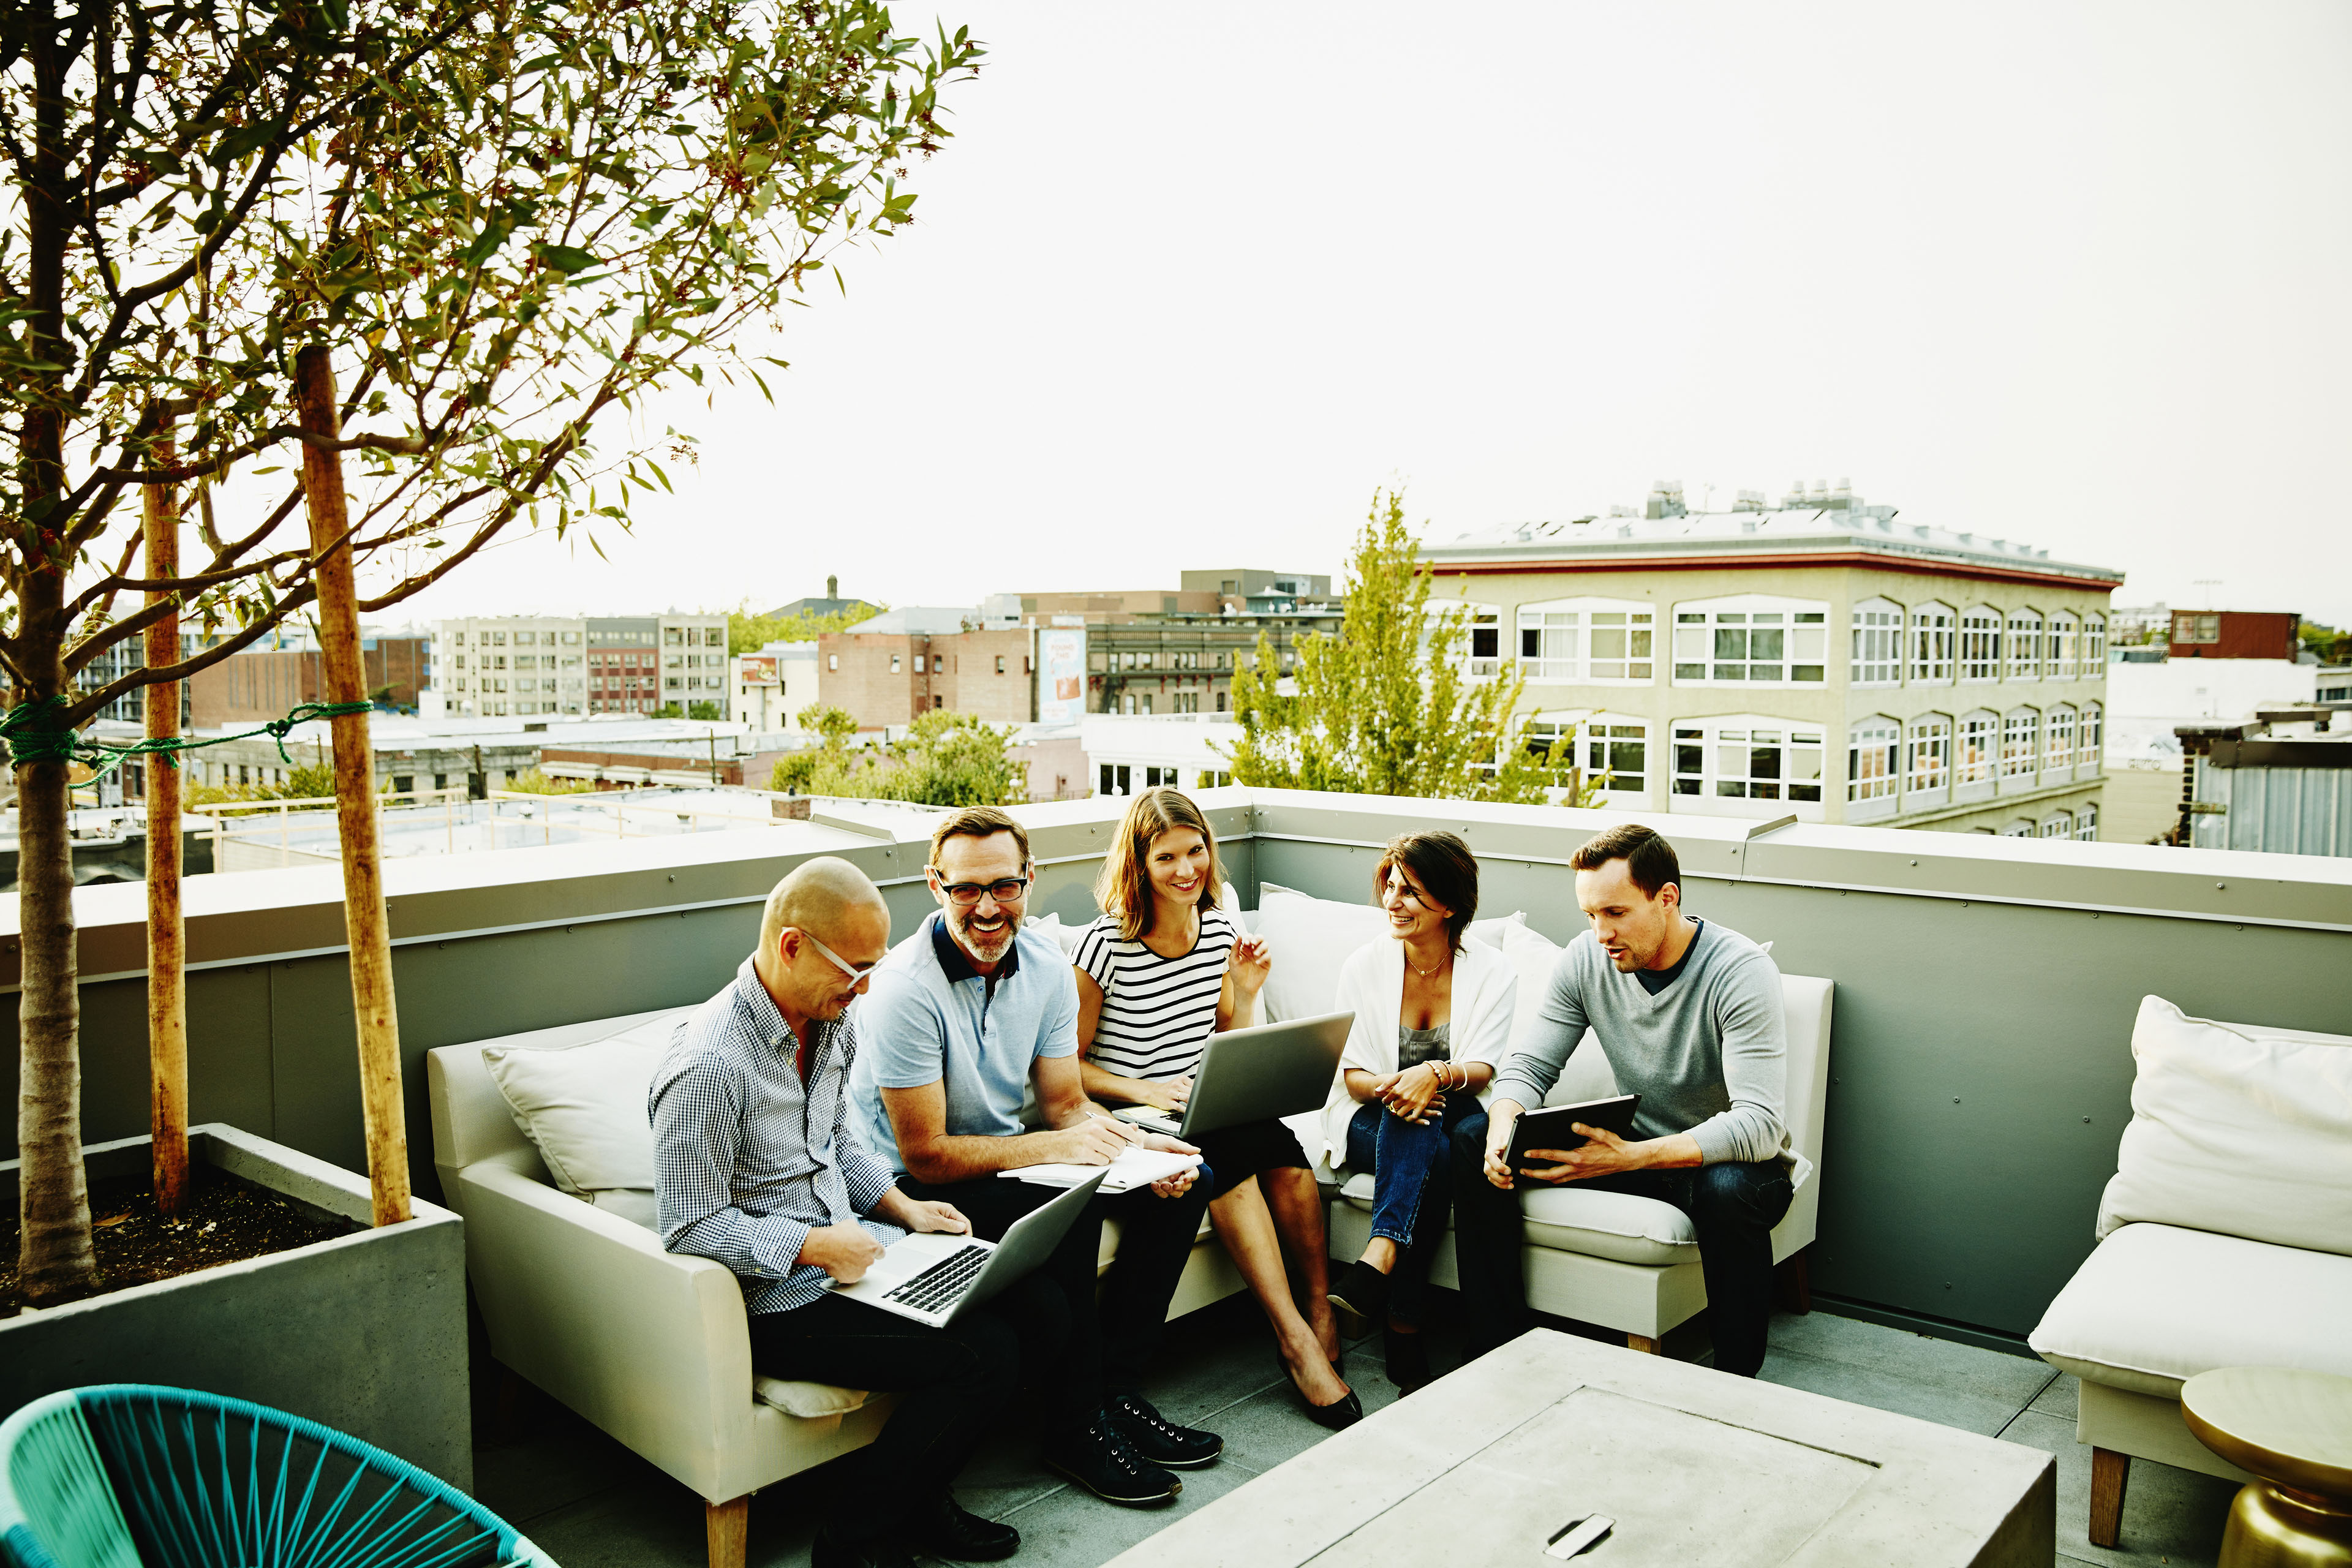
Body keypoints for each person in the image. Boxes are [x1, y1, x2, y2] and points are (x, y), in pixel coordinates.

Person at [649, 857, 1020, 1568]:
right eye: (853, 968)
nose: (867, 986)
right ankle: (853, 1545)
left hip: (860, 1261)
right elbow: (688, 1224)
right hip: (778, 1302)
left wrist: (904, 1207)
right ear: (791, 946)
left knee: (1028, 1298)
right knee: (985, 1356)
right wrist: (814, 1245)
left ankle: (918, 1496)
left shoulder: (829, 1020)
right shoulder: (709, 1063)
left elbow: (837, 1138)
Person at [850, 806, 1223, 1509]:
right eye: (966, 889)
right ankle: (1076, 1428)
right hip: (908, 1186)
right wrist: (1067, 1150)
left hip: (1009, 1157)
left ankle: (1115, 1393)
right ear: (936, 885)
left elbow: (1066, 1104)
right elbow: (925, 1156)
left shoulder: (1050, 966)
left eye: (1004, 885)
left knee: (1189, 1177)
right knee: (1070, 1201)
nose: (988, 908)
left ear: (1030, 879)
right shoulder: (902, 987)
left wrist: (1143, 1145)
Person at [1451, 823, 1800, 1379]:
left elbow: (1758, 1124)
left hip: (1730, 1166)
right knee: (1472, 1137)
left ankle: (1736, 1382)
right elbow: (1530, 1066)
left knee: (1728, 1190)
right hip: (1634, 1152)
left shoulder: (1739, 971)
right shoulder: (1586, 959)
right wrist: (1503, 1120)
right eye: (1590, 915)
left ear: (1667, 898)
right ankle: (1497, 1348)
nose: (1600, 933)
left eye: (1615, 913)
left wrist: (1631, 1157)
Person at [1071, 788, 1359, 1428]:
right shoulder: (1103, 945)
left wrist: (1249, 991)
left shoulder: (1223, 928)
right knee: (1226, 1158)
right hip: (1139, 1120)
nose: (1185, 869)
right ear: (1138, 865)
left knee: (1285, 1154)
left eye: (1195, 851)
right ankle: (1295, 1340)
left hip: (1206, 1103)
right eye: (1165, 856)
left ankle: (1319, 1308)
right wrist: (1143, 1088)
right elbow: (1070, 1068)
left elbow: (1229, 1038)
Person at [1317, 831, 1516, 1394]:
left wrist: (1432, 1075)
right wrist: (1400, 1087)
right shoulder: (1364, 965)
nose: (1394, 902)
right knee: (1422, 1125)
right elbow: (1351, 1075)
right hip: (1368, 1118)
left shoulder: (1493, 971)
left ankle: (1389, 1287)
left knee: (1452, 1136)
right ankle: (1403, 1316)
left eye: (1412, 892)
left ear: (1450, 904)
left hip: (1454, 1110)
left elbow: (1484, 1068)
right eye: (1391, 886)